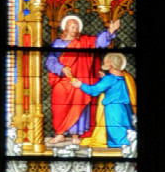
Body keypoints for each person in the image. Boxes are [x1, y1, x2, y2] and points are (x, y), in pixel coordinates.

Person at [46, 13, 119, 146]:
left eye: (77, 27)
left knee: (79, 104)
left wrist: (110, 31)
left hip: (79, 80)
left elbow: (98, 42)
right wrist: (61, 68)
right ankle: (60, 134)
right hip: (62, 81)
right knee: (59, 106)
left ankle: (75, 134)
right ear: (66, 28)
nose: (75, 29)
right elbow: (50, 61)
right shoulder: (58, 43)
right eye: (73, 26)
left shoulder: (84, 41)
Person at [69, 51, 136, 149]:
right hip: (125, 108)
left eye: (106, 62)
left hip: (113, 108)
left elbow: (94, 91)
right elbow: (114, 85)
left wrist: (81, 85)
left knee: (117, 131)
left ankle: (123, 148)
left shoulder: (109, 79)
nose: (104, 64)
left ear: (112, 63)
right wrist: (104, 79)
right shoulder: (125, 76)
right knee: (125, 127)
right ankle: (129, 144)